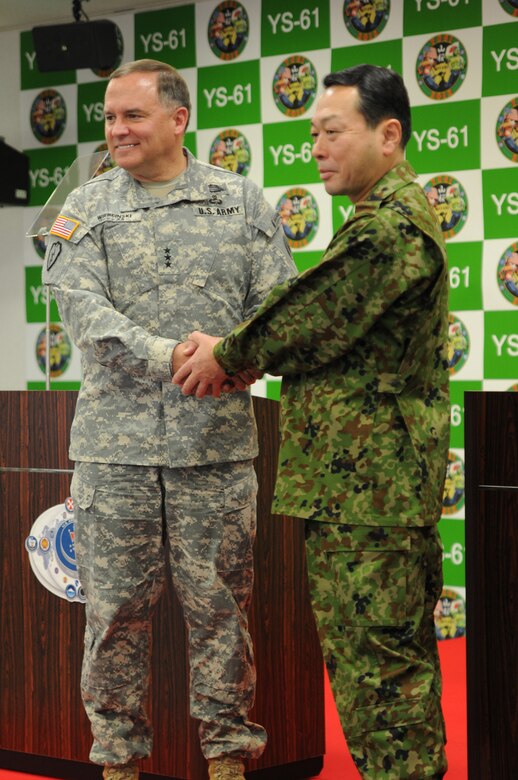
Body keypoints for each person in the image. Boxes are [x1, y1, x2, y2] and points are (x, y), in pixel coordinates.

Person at [173, 65, 450, 780]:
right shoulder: (379, 221)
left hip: (372, 498)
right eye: (311, 134)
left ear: (389, 135)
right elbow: (320, 331)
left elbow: (308, 317)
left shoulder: (388, 228)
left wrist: (227, 353)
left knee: (382, 675)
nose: (317, 149)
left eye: (332, 132)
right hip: (359, 492)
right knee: (373, 667)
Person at [42, 59, 296, 780]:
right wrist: (180, 356)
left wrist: (239, 355)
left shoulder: (240, 201)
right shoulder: (85, 209)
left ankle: (227, 760)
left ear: (178, 120)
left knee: (222, 614)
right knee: (113, 616)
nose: (116, 130)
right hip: (113, 456)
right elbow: (85, 316)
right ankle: (118, 764)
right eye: (110, 118)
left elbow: (278, 306)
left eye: (133, 116)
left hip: (214, 450)